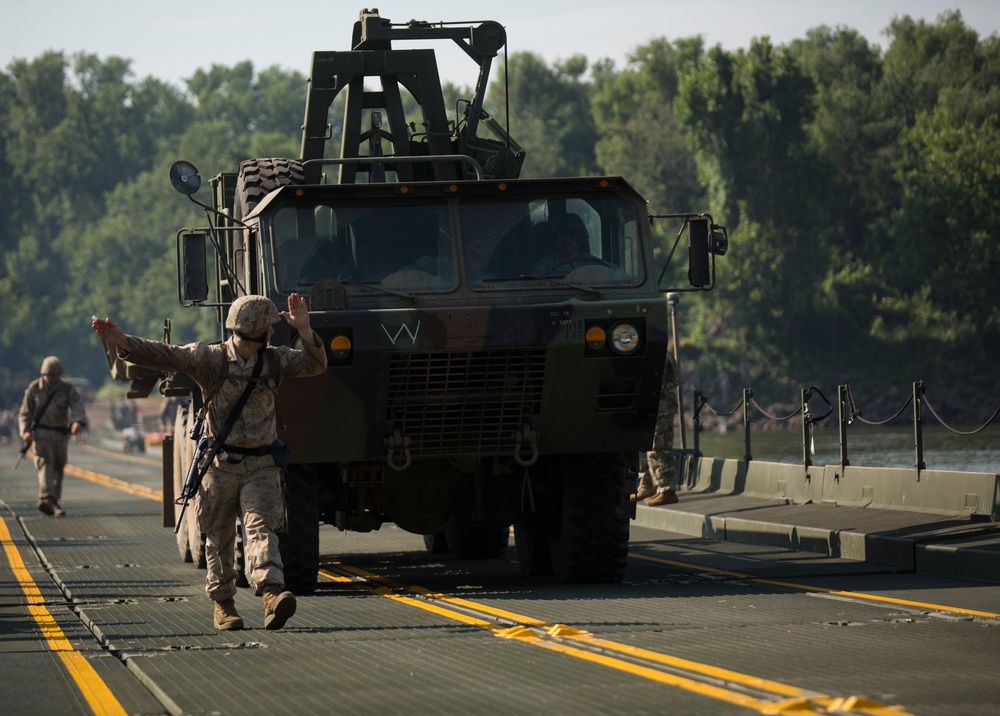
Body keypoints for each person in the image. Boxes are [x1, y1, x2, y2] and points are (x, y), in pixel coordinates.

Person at [91, 293, 327, 632]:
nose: (274, 335)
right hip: (219, 466)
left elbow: (315, 364)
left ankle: (272, 595)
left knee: (261, 528)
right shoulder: (210, 359)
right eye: (269, 330)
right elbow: (165, 355)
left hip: (261, 464)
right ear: (256, 333)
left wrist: (305, 331)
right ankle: (224, 605)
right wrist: (123, 342)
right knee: (219, 537)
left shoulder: (274, 361)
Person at [18, 356, 88, 517]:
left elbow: (77, 405)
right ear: (44, 374)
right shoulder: (34, 389)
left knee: (58, 467)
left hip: (60, 435)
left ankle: (54, 500)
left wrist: (77, 421)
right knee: (45, 464)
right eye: (50, 375)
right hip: (41, 435)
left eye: (56, 375)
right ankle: (46, 497)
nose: (53, 378)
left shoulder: (66, 388)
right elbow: (25, 413)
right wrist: (25, 431)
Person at [635, 351, 679, 506]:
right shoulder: (651, 352)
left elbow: (655, 383)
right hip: (652, 406)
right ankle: (648, 485)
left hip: (661, 407)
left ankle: (667, 490)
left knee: (659, 447)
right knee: (646, 446)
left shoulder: (659, 355)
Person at [530, 214, 605, 276]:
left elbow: (613, 272)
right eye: (561, 235)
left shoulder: (593, 264)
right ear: (555, 239)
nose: (566, 240)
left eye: (571, 235)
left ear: (581, 238)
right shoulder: (543, 267)